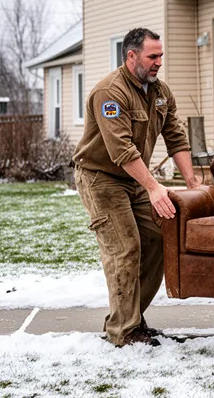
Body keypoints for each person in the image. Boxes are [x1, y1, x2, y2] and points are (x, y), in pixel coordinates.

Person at [72, 27, 201, 347]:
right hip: (101, 178)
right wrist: (155, 188)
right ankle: (124, 331)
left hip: (135, 178)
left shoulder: (160, 92)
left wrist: (191, 180)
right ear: (131, 56)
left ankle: (132, 318)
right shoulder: (110, 92)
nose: (159, 62)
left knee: (160, 236)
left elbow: (176, 138)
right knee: (125, 248)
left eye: (161, 56)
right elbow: (121, 150)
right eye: (152, 56)